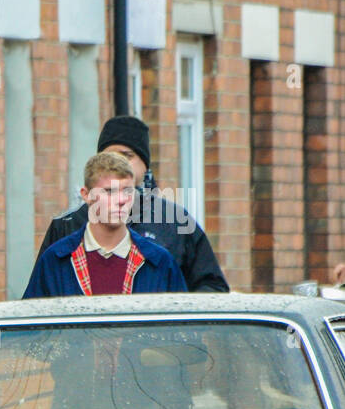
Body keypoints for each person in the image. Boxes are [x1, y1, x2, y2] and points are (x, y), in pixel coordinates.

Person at [39, 115, 228, 292]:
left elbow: (211, 287)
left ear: (144, 164)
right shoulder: (67, 224)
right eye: (108, 156)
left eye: (126, 155)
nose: (117, 161)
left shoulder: (175, 221)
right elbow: (39, 301)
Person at [24, 151, 186, 298]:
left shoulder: (160, 262)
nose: (122, 200)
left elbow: (182, 326)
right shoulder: (56, 261)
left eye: (128, 191)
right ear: (86, 195)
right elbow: (32, 327)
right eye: (109, 191)